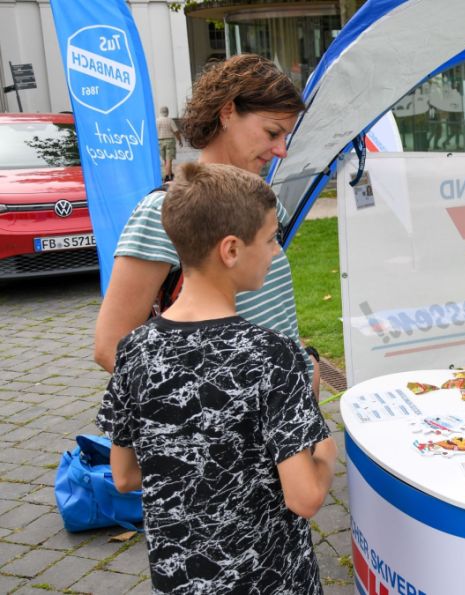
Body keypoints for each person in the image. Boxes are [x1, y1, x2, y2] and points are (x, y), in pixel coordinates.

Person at [98, 161, 336, 593]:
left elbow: (125, 476)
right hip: (271, 579)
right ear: (230, 250)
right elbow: (305, 496)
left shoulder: (133, 349)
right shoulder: (273, 355)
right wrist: (323, 445)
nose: (275, 251)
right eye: (270, 239)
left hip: (181, 580)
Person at [94, 54, 321, 396]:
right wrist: (223, 415)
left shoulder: (266, 203)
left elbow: (270, 314)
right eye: (273, 132)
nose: (281, 151)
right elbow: (111, 346)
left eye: (285, 137)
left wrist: (306, 364)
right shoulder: (163, 211)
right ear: (228, 111)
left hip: (290, 417)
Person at [156, 106, 182, 182]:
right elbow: (176, 131)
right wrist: (179, 140)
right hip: (169, 141)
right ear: (167, 112)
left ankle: (170, 174)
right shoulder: (170, 120)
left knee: (165, 160)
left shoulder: (156, 121)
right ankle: (167, 176)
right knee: (169, 160)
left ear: (160, 112)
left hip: (159, 142)